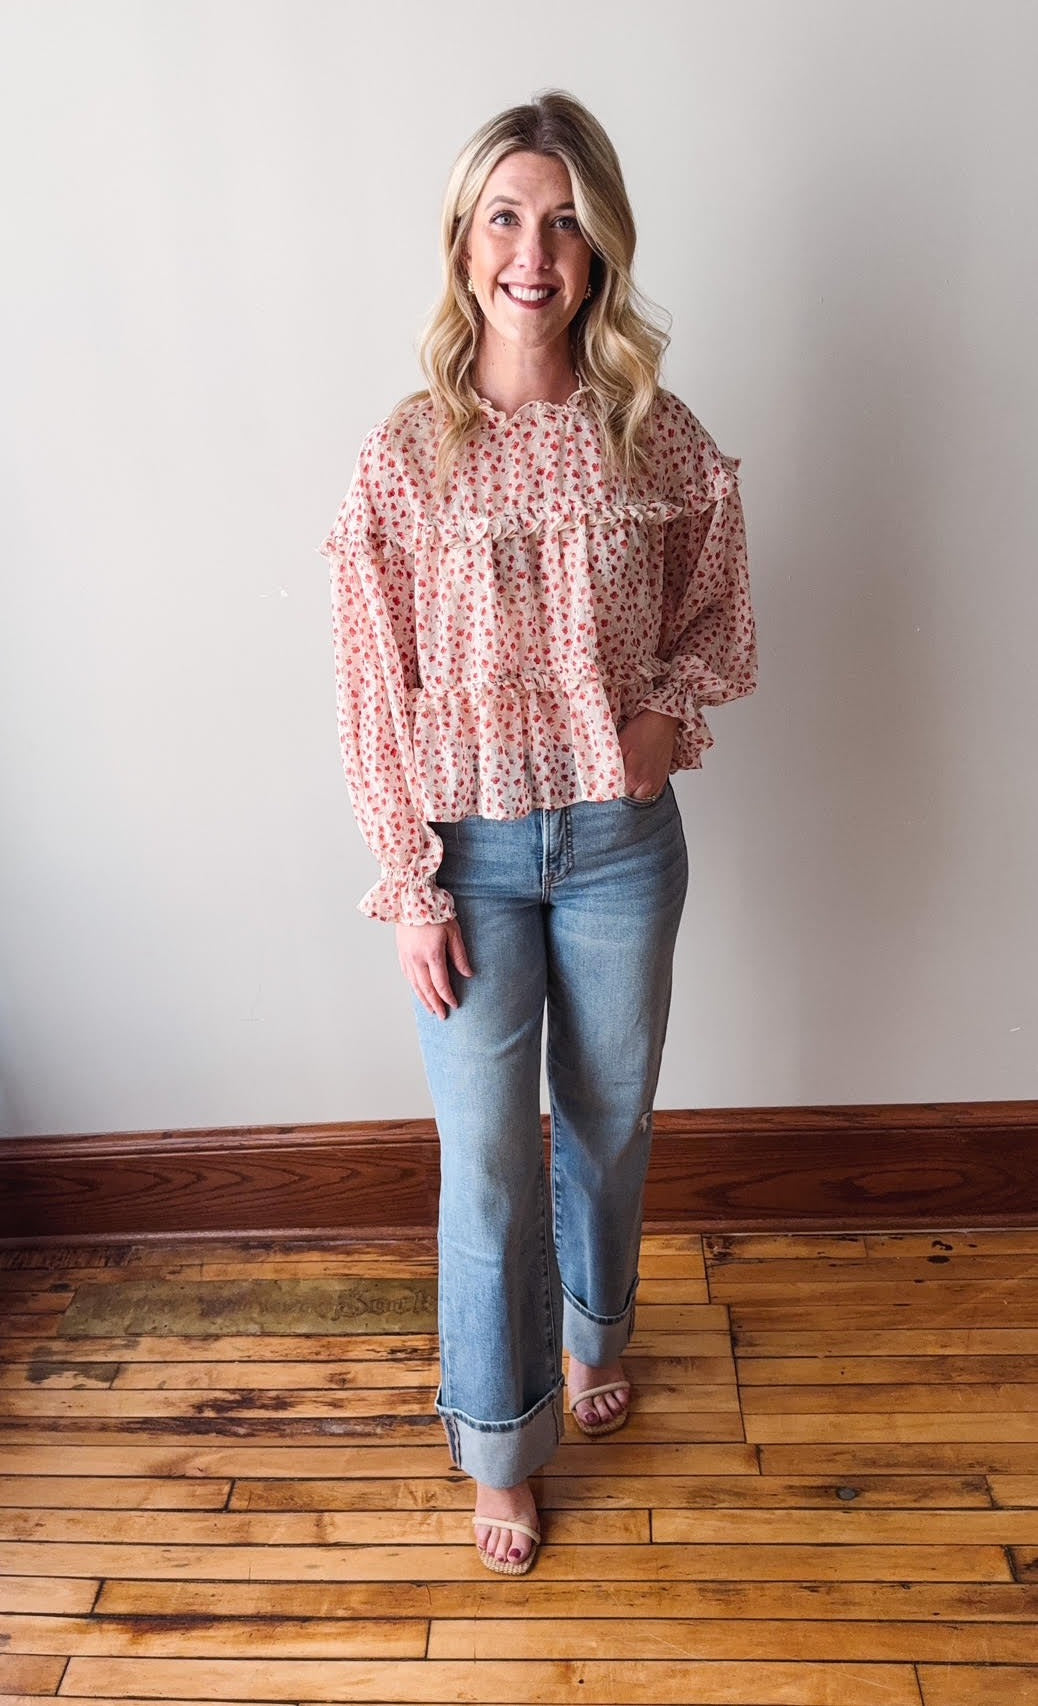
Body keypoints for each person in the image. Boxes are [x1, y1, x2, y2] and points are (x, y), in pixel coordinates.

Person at [320, 89, 757, 1577]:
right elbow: (370, 682)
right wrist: (410, 877)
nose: (533, 247)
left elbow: (720, 603)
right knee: (490, 1157)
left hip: (622, 843)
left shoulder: (650, 426)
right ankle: (500, 1442)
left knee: (613, 1120)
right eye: (505, 215)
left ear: (599, 250)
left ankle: (592, 1336)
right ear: (461, 243)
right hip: (470, 858)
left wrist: (662, 722)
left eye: (563, 218)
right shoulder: (402, 456)